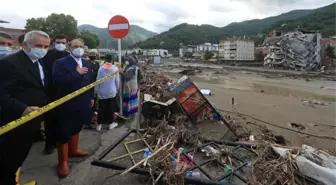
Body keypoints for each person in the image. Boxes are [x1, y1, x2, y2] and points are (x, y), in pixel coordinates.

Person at [0, 30, 50, 185]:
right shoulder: (9, 63)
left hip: (31, 124)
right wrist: (22, 109)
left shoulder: (39, 62)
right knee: (8, 164)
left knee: (18, 159)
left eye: (45, 46)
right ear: (24, 45)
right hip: (14, 123)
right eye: (38, 45)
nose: (42, 49)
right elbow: (2, 94)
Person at [52, 38, 94, 178]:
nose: (79, 48)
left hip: (82, 102)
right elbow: (58, 81)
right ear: (69, 47)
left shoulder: (87, 62)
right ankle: (62, 161)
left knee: (77, 126)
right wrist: (77, 73)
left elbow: (90, 82)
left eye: (81, 46)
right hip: (66, 103)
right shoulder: (60, 63)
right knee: (64, 131)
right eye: (76, 46)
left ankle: (74, 150)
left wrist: (91, 97)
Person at [42, 34, 70, 155]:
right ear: (53, 43)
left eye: (63, 43)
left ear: (67, 43)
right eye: (58, 42)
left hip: (65, 93)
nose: (61, 45)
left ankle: (61, 141)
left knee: (63, 118)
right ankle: (49, 144)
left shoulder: (69, 56)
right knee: (49, 119)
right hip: (49, 92)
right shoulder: (45, 55)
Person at [95, 54, 119, 131]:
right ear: (112, 60)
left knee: (101, 108)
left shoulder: (101, 68)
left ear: (105, 59)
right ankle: (110, 124)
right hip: (112, 91)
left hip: (102, 92)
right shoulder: (115, 68)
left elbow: (97, 80)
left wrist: (96, 91)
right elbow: (117, 81)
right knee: (111, 108)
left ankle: (99, 125)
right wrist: (117, 89)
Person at [83, 49, 100, 129]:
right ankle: (87, 123)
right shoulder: (86, 63)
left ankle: (90, 120)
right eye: (91, 54)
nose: (93, 55)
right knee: (89, 104)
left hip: (95, 86)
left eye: (94, 54)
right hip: (88, 86)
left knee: (93, 105)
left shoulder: (97, 64)